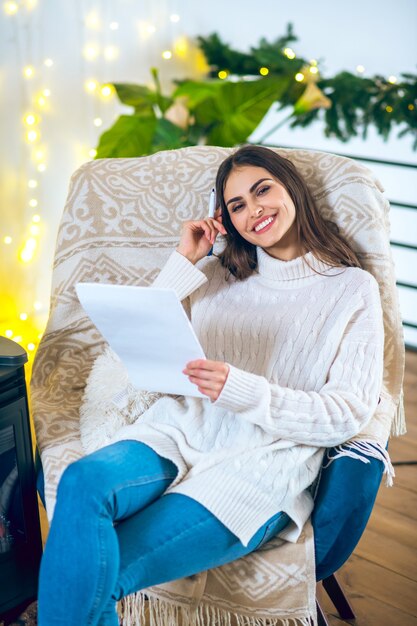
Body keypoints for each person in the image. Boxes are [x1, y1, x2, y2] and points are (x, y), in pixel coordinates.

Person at [37, 145, 384, 626]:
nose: (253, 209)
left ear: (293, 190)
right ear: (227, 220)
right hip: (176, 431)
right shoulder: (219, 274)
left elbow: (348, 411)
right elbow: (138, 338)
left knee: (98, 570)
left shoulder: (350, 288)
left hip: (260, 465)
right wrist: (185, 259)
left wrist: (243, 390)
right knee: (81, 481)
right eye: (237, 205)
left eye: (262, 190)